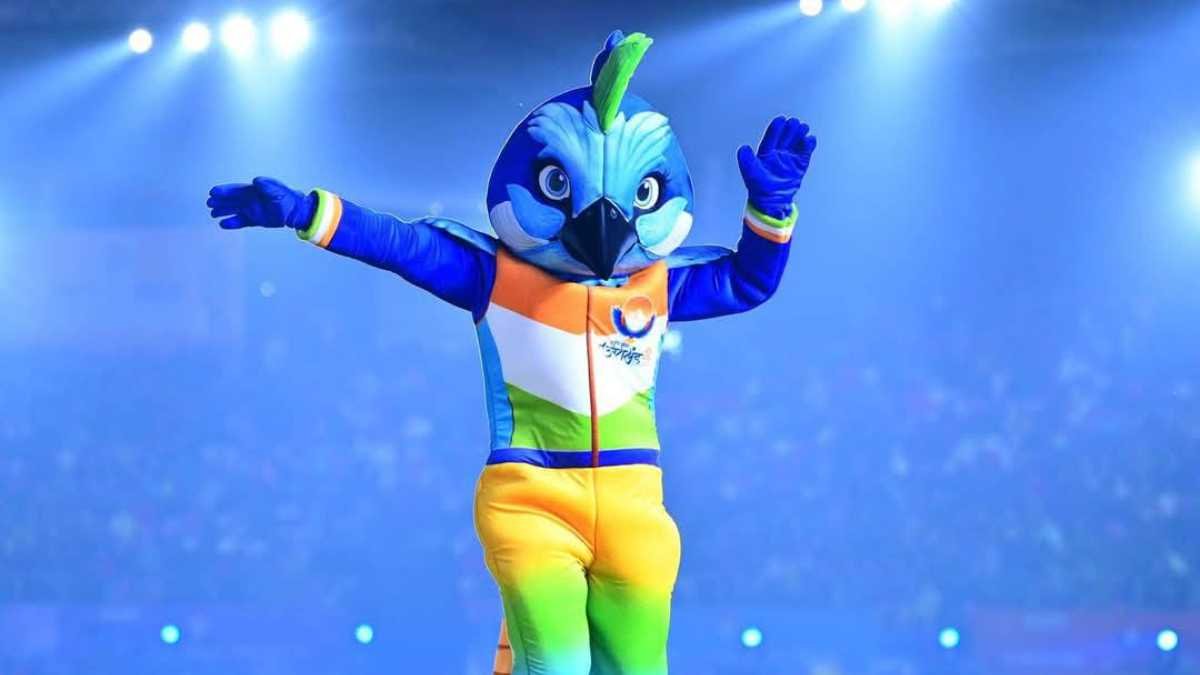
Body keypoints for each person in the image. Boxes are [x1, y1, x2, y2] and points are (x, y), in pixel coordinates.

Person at [206, 29, 816, 675]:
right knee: (555, 665)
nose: (602, 226)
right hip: (533, 502)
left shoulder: (658, 284)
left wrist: (771, 210)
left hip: (636, 506)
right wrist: (307, 210)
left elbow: (747, 281)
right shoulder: (493, 274)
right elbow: (400, 244)